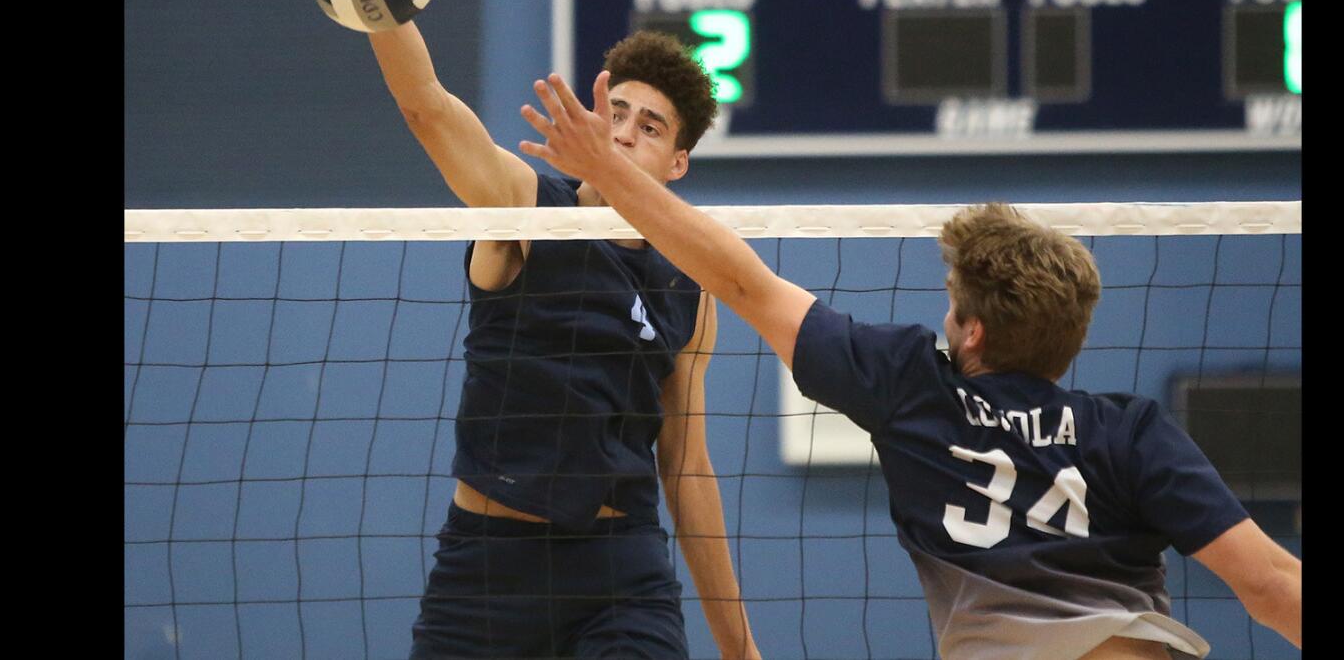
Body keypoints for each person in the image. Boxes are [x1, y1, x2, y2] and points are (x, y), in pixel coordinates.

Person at [515, 70, 1303, 660]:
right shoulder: (1132, 431)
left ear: (970, 335)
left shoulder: (912, 387)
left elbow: (739, 278)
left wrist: (607, 171)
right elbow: (1269, 585)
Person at [317, 0, 761, 659]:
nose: (622, 132)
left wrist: (741, 648)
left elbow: (686, 468)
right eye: (613, 111)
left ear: (676, 164)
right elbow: (428, 108)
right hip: (488, 571)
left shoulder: (691, 280)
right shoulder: (527, 208)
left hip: (624, 575)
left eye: (649, 128)